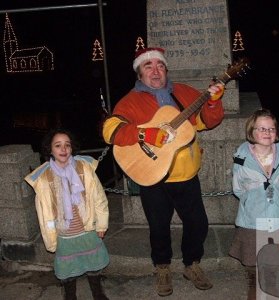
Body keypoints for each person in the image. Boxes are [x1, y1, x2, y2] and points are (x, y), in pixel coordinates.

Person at [102, 47, 225, 296]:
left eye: (160, 65)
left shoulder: (184, 93)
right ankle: (162, 267)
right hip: (152, 175)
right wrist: (144, 133)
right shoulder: (131, 101)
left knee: (198, 224)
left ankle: (192, 264)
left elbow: (208, 121)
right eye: (148, 66)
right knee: (159, 228)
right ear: (139, 73)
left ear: (166, 70)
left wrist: (213, 101)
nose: (155, 71)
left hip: (187, 174)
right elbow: (110, 130)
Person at [25, 129, 110, 300]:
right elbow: (44, 213)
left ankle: (98, 294)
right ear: (50, 150)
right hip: (64, 234)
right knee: (67, 271)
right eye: (58, 145)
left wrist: (101, 224)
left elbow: (99, 198)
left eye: (67, 145)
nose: (63, 149)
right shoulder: (43, 177)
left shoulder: (84, 168)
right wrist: (51, 238)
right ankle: (70, 296)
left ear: (72, 148)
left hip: (87, 228)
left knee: (93, 264)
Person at [229, 108, 279, 299]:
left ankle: (271, 289)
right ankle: (254, 288)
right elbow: (237, 189)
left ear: (277, 132)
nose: (267, 133)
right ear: (252, 131)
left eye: (271, 129)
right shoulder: (241, 158)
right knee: (253, 264)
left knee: (275, 262)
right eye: (262, 129)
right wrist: (254, 200)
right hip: (252, 221)